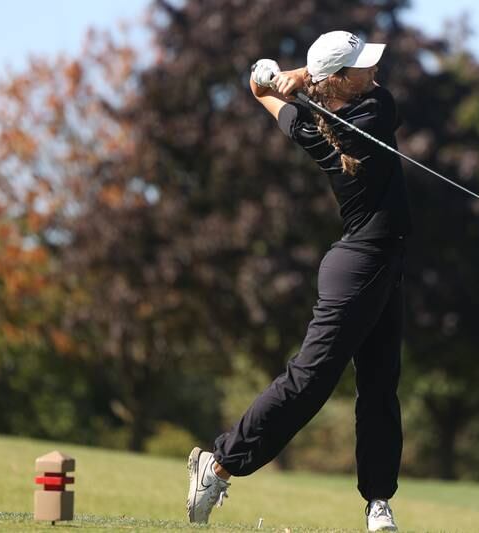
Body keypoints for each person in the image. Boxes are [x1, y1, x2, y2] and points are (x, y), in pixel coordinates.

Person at [185, 30, 412, 532]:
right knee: (311, 380)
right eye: (362, 67)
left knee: (379, 387)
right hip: (359, 264)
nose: (374, 72)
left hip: (383, 264)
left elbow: (259, 91)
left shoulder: (360, 108)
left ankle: (378, 502)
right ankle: (218, 463)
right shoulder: (362, 116)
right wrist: (293, 84)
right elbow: (289, 103)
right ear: (342, 81)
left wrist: (290, 79)